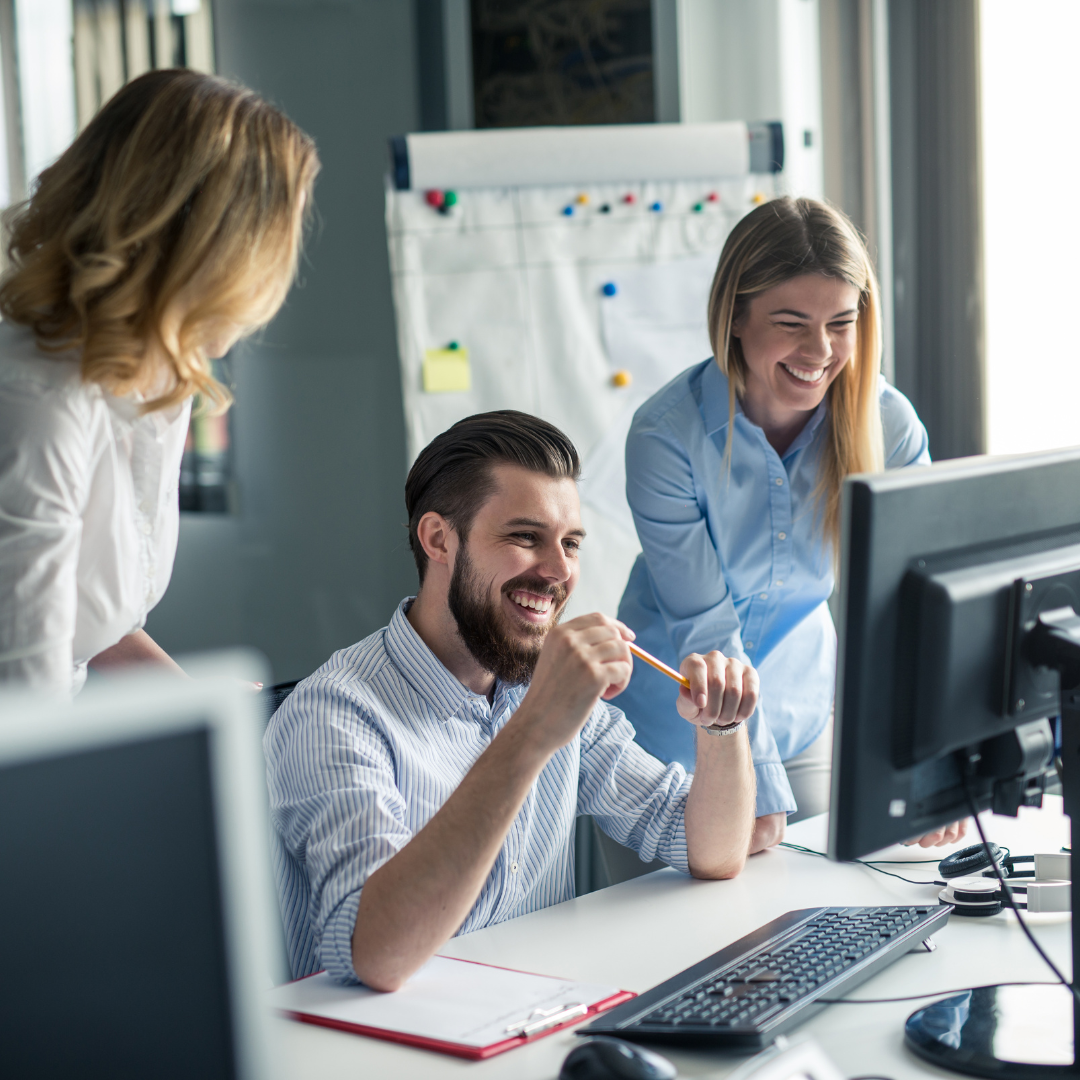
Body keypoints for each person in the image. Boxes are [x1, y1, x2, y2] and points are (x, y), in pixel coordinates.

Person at [265, 411, 758, 990]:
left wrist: (721, 728)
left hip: (536, 1016)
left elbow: (712, 851)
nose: (558, 571)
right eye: (526, 537)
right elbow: (376, 954)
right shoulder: (332, 716)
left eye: (570, 543)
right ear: (438, 539)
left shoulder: (542, 684)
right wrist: (534, 732)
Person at [615, 197, 965, 851]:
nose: (821, 350)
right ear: (736, 317)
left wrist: (931, 750)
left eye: (842, 322)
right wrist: (755, 786)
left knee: (835, 917)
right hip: (669, 733)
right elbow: (706, 631)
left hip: (804, 715)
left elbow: (914, 607)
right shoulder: (667, 436)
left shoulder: (887, 427)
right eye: (792, 322)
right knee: (680, 943)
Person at [0, 69, 318, 693]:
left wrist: (202, 705)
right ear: (216, 250)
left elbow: (85, 617)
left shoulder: (154, 383)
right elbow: (24, 710)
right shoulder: (40, 402)